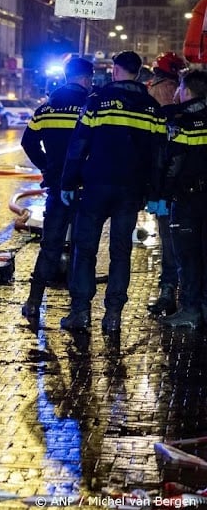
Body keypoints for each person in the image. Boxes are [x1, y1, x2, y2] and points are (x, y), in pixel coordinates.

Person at [59, 50, 165, 332]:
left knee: (86, 250)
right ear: (139, 72)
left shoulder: (97, 101)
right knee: (121, 251)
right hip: (131, 191)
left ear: (116, 70)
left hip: (96, 186)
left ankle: (81, 312)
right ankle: (113, 316)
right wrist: (154, 193)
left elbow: (79, 143)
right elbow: (158, 155)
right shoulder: (150, 107)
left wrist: (68, 181)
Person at [19, 56, 93, 321]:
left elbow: (27, 142)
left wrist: (47, 167)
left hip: (56, 186)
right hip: (86, 188)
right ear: (86, 79)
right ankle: (78, 309)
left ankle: (33, 301)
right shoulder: (90, 107)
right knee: (82, 248)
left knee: (50, 244)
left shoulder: (45, 109)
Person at [148, 70, 207, 328]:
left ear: (188, 91)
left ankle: (191, 309)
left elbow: (171, 164)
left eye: (180, 88)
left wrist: (159, 197)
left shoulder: (180, 121)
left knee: (187, 256)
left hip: (186, 199)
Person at [145, 51, 189, 317]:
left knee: (170, 239)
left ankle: (169, 292)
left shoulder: (159, 90)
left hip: (166, 184)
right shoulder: (169, 91)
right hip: (174, 184)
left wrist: (157, 189)